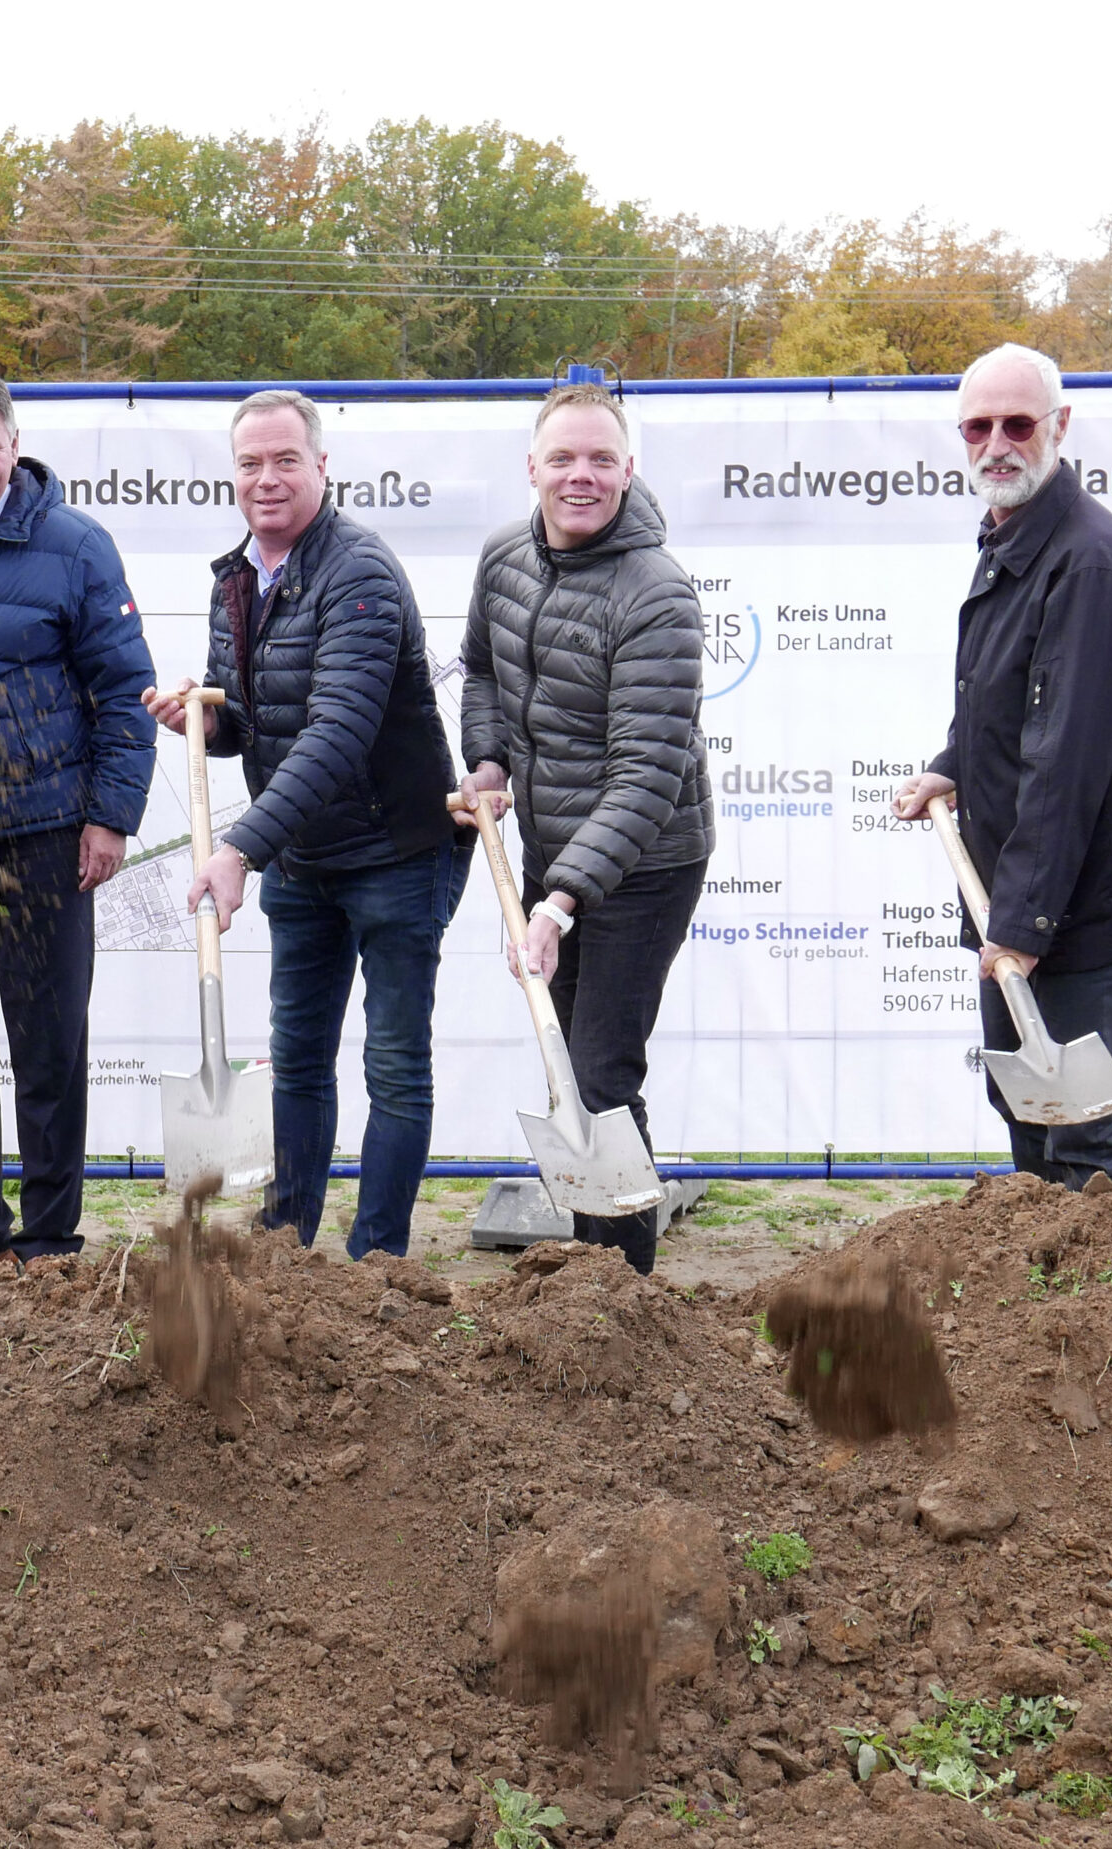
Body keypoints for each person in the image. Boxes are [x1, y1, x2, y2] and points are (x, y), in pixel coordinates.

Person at [143, 389, 462, 1259]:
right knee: (299, 1055)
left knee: (392, 1062)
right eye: (250, 463)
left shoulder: (358, 571)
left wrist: (244, 847)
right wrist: (200, 723)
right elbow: (256, 726)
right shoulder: (235, 579)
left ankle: (379, 1262)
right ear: (233, 475)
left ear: (324, 467)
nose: (267, 478)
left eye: (286, 460)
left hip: (395, 853)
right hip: (304, 856)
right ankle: (288, 1244)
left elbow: (339, 730)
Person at [894, 343, 1112, 1205]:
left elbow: (1067, 759)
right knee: (1028, 1108)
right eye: (977, 426)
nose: (996, 444)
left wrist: (1022, 922)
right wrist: (951, 767)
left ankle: (1110, 1328)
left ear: (1059, 426)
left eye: (1017, 424)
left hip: (1072, 907)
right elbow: (1002, 698)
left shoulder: (1088, 562)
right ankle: (1041, 1316)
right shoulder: (1011, 537)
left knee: (1083, 1134)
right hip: (1021, 896)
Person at [458, 382, 713, 1275]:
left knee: (602, 1072)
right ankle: (588, 1268)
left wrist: (558, 904)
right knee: (566, 1064)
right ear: (532, 467)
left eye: (601, 458)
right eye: (562, 458)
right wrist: (488, 760)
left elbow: (648, 775)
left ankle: (620, 1293)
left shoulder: (657, 595)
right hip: (553, 845)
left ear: (629, 469)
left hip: (646, 861)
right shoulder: (504, 559)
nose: (581, 475)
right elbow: (482, 669)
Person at [0, 365, 156, 1275]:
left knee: (49, 1043)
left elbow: (125, 697)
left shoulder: (76, 545)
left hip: (45, 834)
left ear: (15, 446)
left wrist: (110, 816)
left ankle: (50, 1239)